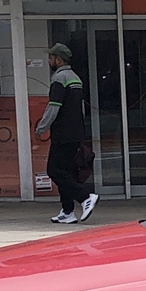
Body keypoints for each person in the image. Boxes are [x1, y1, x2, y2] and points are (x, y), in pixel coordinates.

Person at [34, 41, 96, 224]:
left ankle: (85, 197)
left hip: (62, 134)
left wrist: (41, 128)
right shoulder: (76, 78)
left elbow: (53, 108)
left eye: (50, 58)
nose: (48, 61)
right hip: (76, 133)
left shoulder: (59, 79)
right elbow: (80, 109)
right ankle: (67, 211)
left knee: (53, 170)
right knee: (66, 171)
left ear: (59, 60)